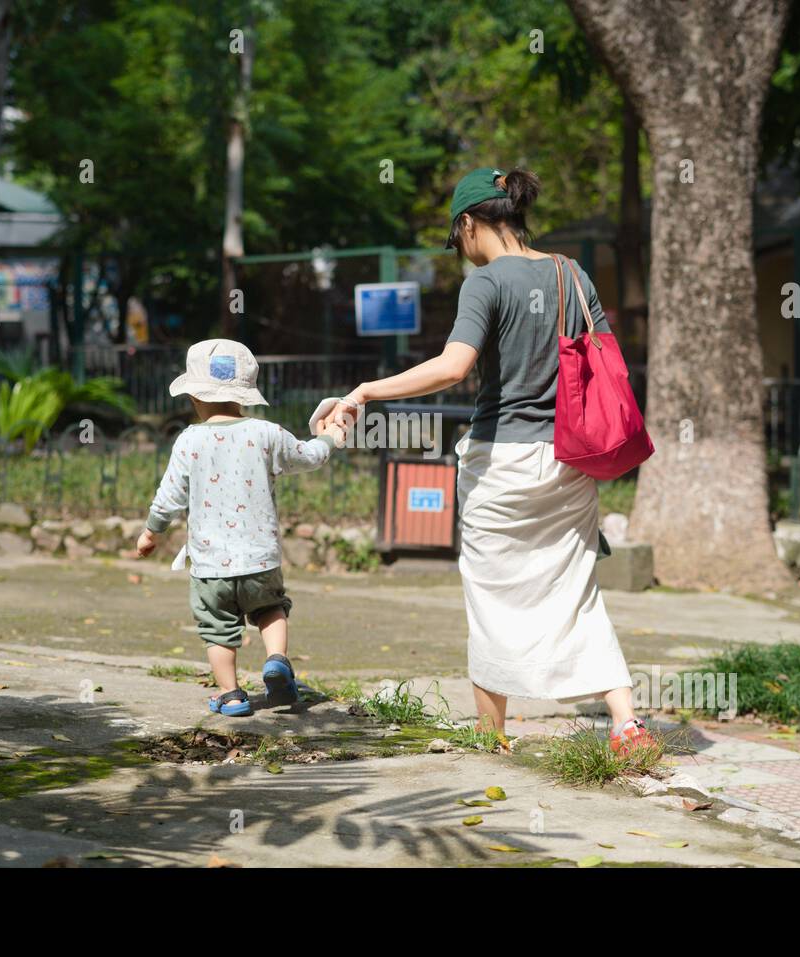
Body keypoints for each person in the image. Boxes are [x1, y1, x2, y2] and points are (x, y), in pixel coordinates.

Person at [327, 167, 656, 754]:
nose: (463, 254)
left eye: (458, 242)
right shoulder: (571, 273)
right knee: (576, 587)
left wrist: (367, 390)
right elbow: (605, 355)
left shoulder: (484, 283)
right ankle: (626, 724)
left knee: (490, 593)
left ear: (471, 222)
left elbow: (454, 367)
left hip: (501, 459)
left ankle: (492, 733)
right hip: (568, 459)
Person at [137, 339, 344, 717]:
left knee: (218, 630)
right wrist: (330, 436)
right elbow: (310, 456)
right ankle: (277, 660)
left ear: (194, 396)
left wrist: (151, 533)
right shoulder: (266, 433)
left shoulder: (188, 441)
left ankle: (231, 696)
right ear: (246, 394)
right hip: (260, 560)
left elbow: (169, 496)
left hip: (211, 567)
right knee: (271, 610)